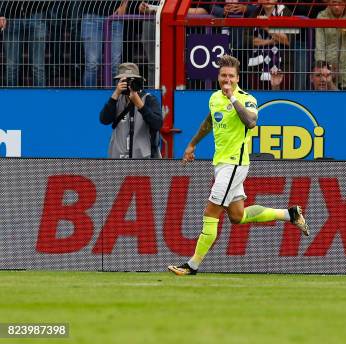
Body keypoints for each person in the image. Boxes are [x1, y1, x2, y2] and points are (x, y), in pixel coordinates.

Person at [168, 55, 309, 276]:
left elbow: (251, 122)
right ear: (218, 76)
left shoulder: (247, 99)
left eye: (231, 76)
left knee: (211, 211)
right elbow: (209, 122)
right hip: (221, 164)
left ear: (237, 78)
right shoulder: (214, 98)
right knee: (236, 216)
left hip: (235, 164)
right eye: (223, 76)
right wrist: (192, 144)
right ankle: (289, 214)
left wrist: (233, 98)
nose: (226, 80)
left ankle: (192, 265)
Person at [99, 62, 163, 158]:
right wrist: (115, 94)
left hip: (143, 159)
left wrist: (140, 105)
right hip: (118, 158)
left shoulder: (149, 99)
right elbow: (104, 120)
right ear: (119, 82)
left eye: (132, 81)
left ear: (139, 82)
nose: (129, 85)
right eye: (125, 81)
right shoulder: (116, 99)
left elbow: (157, 123)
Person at [0, 1, 53, 86]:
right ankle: (11, 98)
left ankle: (41, 98)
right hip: (11, 17)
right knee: (11, 67)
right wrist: (1, 13)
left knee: (38, 66)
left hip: (36, 15)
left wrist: (40, 5)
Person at [315, 0, 346, 90]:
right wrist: (322, 67)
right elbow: (319, 44)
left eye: (340, 3)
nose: (337, 7)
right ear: (329, 2)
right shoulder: (322, 16)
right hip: (329, 67)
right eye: (334, 3)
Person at [79, 0, 128, 87]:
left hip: (115, 17)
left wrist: (124, 4)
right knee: (92, 63)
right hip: (91, 16)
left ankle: (115, 97)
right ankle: (88, 98)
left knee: (115, 64)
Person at [248, 0, 292, 90]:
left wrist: (267, 27)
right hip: (258, 65)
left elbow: (287, 40)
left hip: (282, 64)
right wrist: (270, 42)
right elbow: (248, 40)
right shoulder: (255, 13)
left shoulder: (286, 12)